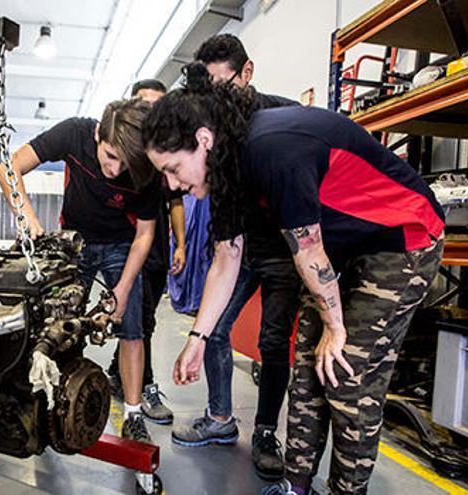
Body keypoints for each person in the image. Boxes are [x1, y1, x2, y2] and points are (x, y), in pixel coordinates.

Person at [140, 63, 444, 495]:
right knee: (305, 371)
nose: (172, 184)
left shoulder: (271, 148)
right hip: (343, 247)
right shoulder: (224, 171)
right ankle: (295, 487)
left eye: (173, 168)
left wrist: (336, 328)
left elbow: (309, 250)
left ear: (203, 140)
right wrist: (197, 338)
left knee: (346, 372)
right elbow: (227, 258)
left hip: (402, 239)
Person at [168, 34, 302, 483]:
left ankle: (265, 432)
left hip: (287, 248)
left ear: (247, 72)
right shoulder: (216, 132)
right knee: (216, 328)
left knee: (272, 340)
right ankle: (220, 417)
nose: (214, 102)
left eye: (222, 87)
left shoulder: (281, 118)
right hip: (239, 245)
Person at [0, 98, 160, 443]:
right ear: (98, 134)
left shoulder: (146, 169)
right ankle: (45, 402)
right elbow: (8, 168)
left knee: (132, 328)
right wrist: (26, 215)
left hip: (121, 244)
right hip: (74, 243)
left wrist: (123, 288)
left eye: (125, 162)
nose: (116, 169)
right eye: (110, 156)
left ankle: (132, 413)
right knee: (56, 325)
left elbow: (145, 235)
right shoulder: (74, 133)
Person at [105, 79, 185, 425]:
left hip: (155, 245)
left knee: (142, 319)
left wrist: (180, 243)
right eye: (145, 104)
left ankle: (117, 373)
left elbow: (176, 202)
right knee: (141, 321)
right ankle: (144, 385)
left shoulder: (164, 151)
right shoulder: (125, 150)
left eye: (158, 105)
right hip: (126, 242)